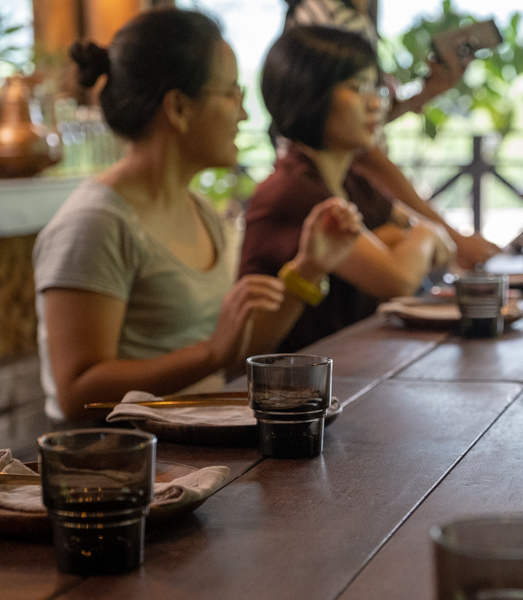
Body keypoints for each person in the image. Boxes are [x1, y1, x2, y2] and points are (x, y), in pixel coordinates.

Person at [33, 8, 362, 423]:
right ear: (179, 108)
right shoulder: (94, 224)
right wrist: (210, 353)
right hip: (120, 472)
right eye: (229, 94)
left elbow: (228, 357)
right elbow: (76, 393)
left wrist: (309, 270)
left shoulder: (202, 212)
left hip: (195, 459)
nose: (243, 114)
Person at [239, 25, 453, 350]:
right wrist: (423, 234)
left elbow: (446, 250)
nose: (375, 103)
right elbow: (399, 279)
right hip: (282, 390)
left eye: (375, 88)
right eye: (357, 87)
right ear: (309, 93)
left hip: (347, 373)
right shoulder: (293, 191)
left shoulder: (352, 182)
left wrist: (405, 240)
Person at [283, 0, 502, 268]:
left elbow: (358, 118)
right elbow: (356, 146)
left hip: (352, 192)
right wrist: (452, 237)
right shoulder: (324, 14)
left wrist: (427, 91)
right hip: (334, 192)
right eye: (357, 87)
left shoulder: (354, 18)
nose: (373, 102)